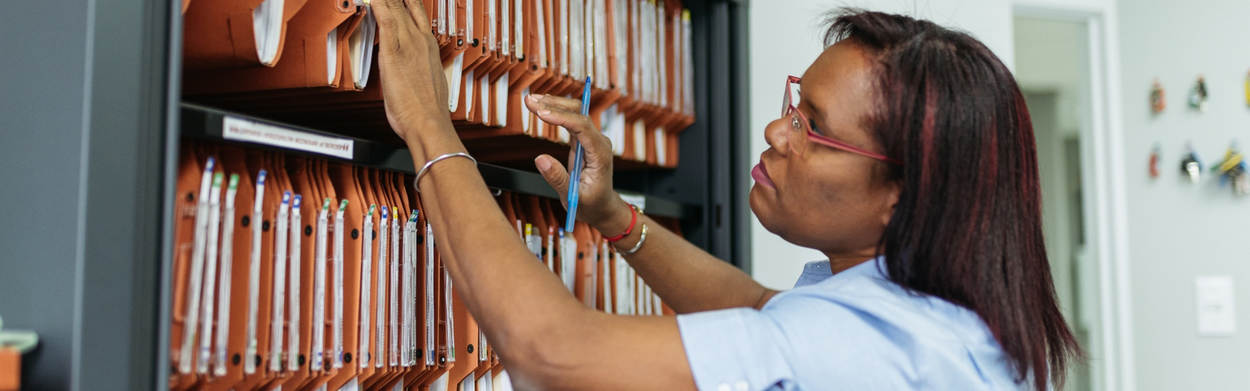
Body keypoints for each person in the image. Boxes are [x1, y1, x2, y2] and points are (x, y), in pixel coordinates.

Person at [370, 1, 1080, 389]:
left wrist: (428, 121)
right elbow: (759, 308)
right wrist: (614, 216)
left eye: (813, 128)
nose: (776, 130)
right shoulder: (941, 319)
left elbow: (550, 351)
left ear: (903, 195)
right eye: (794, 103)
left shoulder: (868, 349)